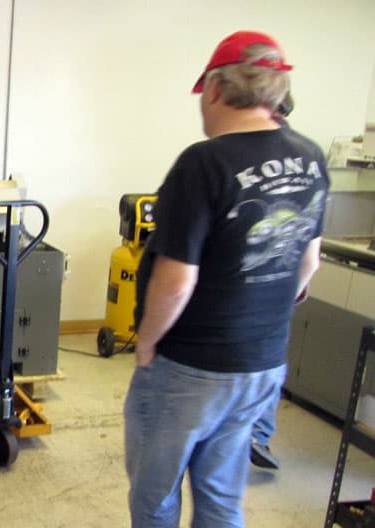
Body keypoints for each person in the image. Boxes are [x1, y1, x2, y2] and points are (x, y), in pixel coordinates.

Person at [123, 31, 328, 527]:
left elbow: (176, 281)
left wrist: (147, 342)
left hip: (191, 364)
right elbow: (308, 262)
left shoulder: (204, 162)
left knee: (155, 496)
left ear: (214, 89)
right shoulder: (311, 156)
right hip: (262, 362)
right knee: (220, 493)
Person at [249, 91, 296, 471]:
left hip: (255, 288)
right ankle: (258, 435)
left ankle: (256, 436)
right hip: (277, 289)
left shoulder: (238, 156)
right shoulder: (307, 159)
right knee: (267, 366)